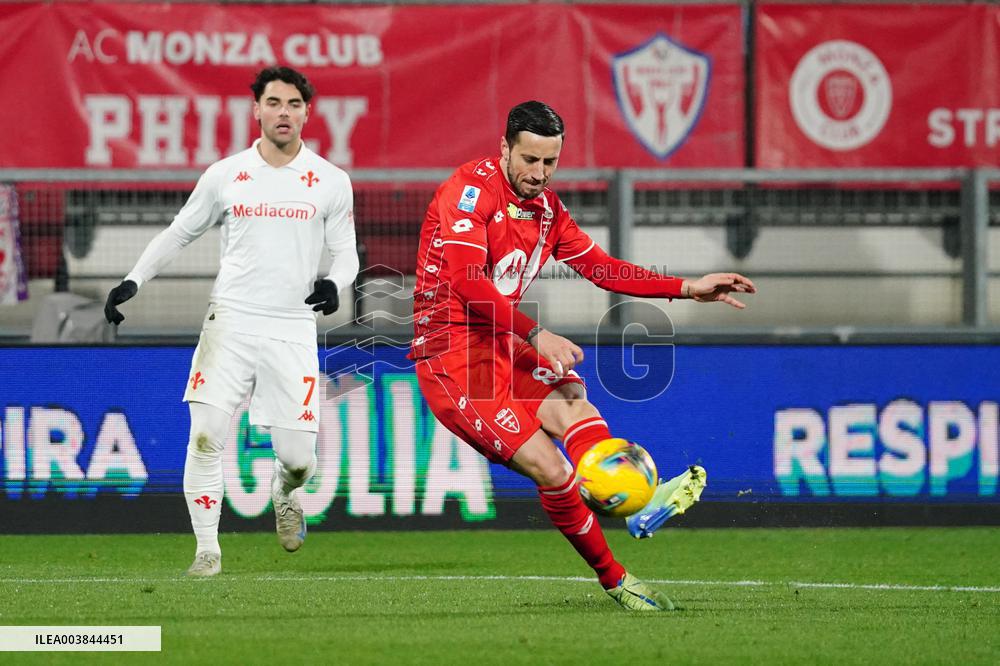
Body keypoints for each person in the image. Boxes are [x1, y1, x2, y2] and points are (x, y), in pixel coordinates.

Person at [409, 101, 755, 611]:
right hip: (453, 358)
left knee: (572, 395)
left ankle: (632, 501)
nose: (539, 174)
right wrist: (537, 334)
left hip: (500, 343)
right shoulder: (469, 193)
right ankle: (616, 579)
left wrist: (686, 287)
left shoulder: (547, 210)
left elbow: (601, 267)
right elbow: (466, 281)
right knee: (554, 472)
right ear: (504, 148)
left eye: (550, 163)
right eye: (529, 160)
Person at [103, 66, 359, 577]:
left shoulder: (331, 181)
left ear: (308, 112)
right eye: (273, 102)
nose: (283, 112)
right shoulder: (226, 174)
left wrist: (335, 283)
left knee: (300, 459)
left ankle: (285, 491)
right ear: (256, 109)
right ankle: (207, 552)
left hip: (291, 328)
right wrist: (133, 280)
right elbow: (179, 233)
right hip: (231, 320)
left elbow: (347, 254)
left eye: (292, 104)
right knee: (205, 436)